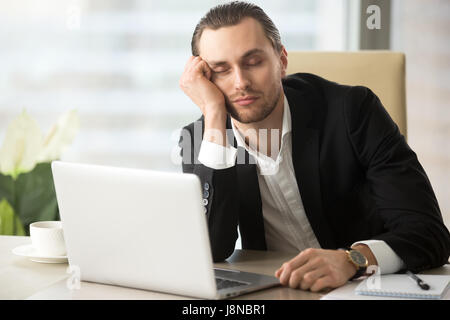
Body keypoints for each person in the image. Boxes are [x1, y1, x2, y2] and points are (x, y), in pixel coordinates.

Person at [177, 1, 450, 292]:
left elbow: (430, 235)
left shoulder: (352, 111)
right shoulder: (203, 139)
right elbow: (210, 250)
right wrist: (215, 115)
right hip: (281, 292)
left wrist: (353, 259)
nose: (240, 82)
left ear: (281, 60)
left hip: (365, 288)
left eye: (253, 62)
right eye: (221, 70)